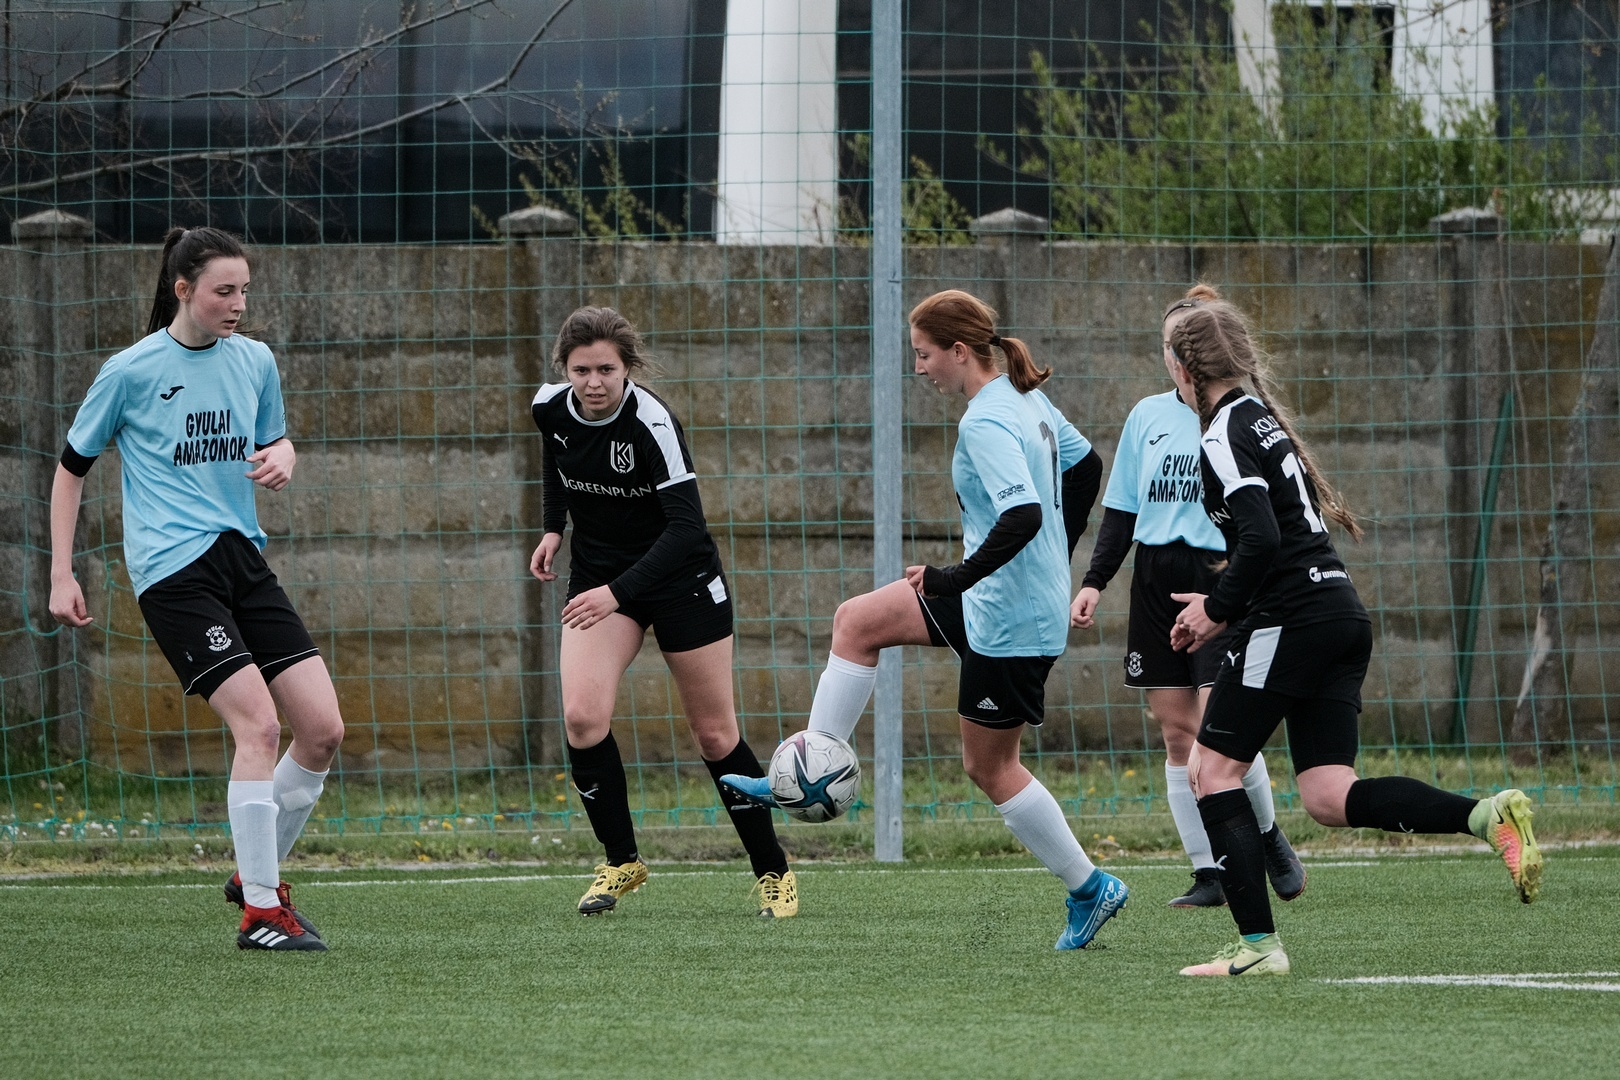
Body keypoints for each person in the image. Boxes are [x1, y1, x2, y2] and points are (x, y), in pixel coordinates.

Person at [723, 289, 1126, 950]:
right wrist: (1054, 553)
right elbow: (1085, 468)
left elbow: (1024, 514)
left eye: (924, 354)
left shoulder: (987, 420)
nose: (919, 368)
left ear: (959, 350)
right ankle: (805, 766)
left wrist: (954, 577)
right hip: (995, 597)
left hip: (1010, 617)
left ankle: (1090, 887)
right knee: (857, 622)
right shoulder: (1023, 396)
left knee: (989, 767)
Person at [1164, 287, 1543, 977]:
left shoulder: (1222, 433)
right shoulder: (1262, 419)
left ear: (1185, 370)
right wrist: (1229, 602)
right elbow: (1279, 541)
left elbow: (1263, 537)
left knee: (1211, 772)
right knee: (1328, 795)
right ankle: (1486, 816)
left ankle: (1258, 947)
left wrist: (1216, 609)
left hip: (1296, 620)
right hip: (1336, 613)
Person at [50, 227, 342, 952]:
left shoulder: (256, 361)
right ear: (183, 290)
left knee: (322, 730)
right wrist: (61, 572)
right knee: (259, 727)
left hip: (242, 559)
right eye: (224, 291)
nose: (238, 303)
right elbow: (70, 469)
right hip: (173, 572)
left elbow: (274, 439)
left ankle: (253, 873)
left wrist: (284, 455)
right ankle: (262, 913)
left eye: (244, 290)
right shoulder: (130, 371)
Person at [528, 306, 797, 917]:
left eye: (606, 369)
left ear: (627, 368)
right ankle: (621, 861)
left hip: (682, 580)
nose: (594, 382)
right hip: (600, 577)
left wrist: (617, 593)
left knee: (715, 734)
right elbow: (556, 459)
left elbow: (686, 528)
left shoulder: (651, 422)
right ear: (564, 369)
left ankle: (773, 872)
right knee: (582, 718)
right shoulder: (550, 407)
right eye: (581, 370)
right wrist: (552, 528)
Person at [1070, 285, 1304, 909]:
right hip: (1154, 576)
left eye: (1179, 346)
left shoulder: (1235, 418)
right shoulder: (1146, 416)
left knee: (1215, 726)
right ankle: (1209, 872)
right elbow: (1122, 510)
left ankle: (1267, 836)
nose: (1171, 358)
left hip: (1216, 576)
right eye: (1166, 346)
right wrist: (1094, 581)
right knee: (1177, 733)